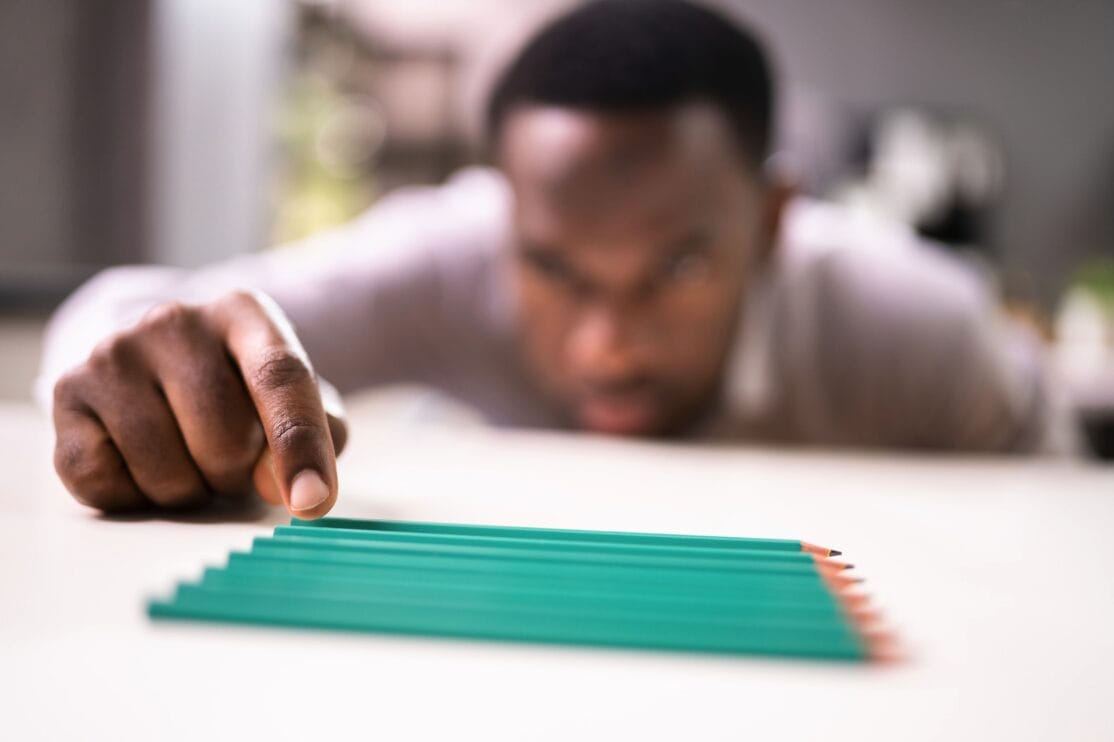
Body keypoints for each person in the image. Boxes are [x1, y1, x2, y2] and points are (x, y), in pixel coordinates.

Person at [38, 0, 1049, 520]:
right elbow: (144, 311)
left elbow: (1064, 539)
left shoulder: (919, 328)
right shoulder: (454, 249)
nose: (607, 346)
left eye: (679, 267)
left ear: (776, 220)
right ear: (504, 213)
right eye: (556, 270)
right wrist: (131, 364)